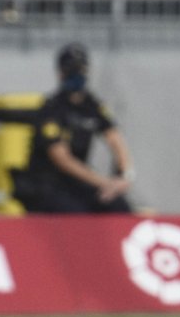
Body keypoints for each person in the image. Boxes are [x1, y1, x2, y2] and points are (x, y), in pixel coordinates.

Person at [12, 42, 134, 213]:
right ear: (60, 73)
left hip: (78, 183)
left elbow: (114, 138)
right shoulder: (51, 109)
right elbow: (62, 159)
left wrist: (123, 176)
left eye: (80, 68)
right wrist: (103, 182)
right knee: (75, 212)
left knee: (119, 206)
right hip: (48, 185)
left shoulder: (91, 106)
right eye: (71, 69)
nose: (76, 74)